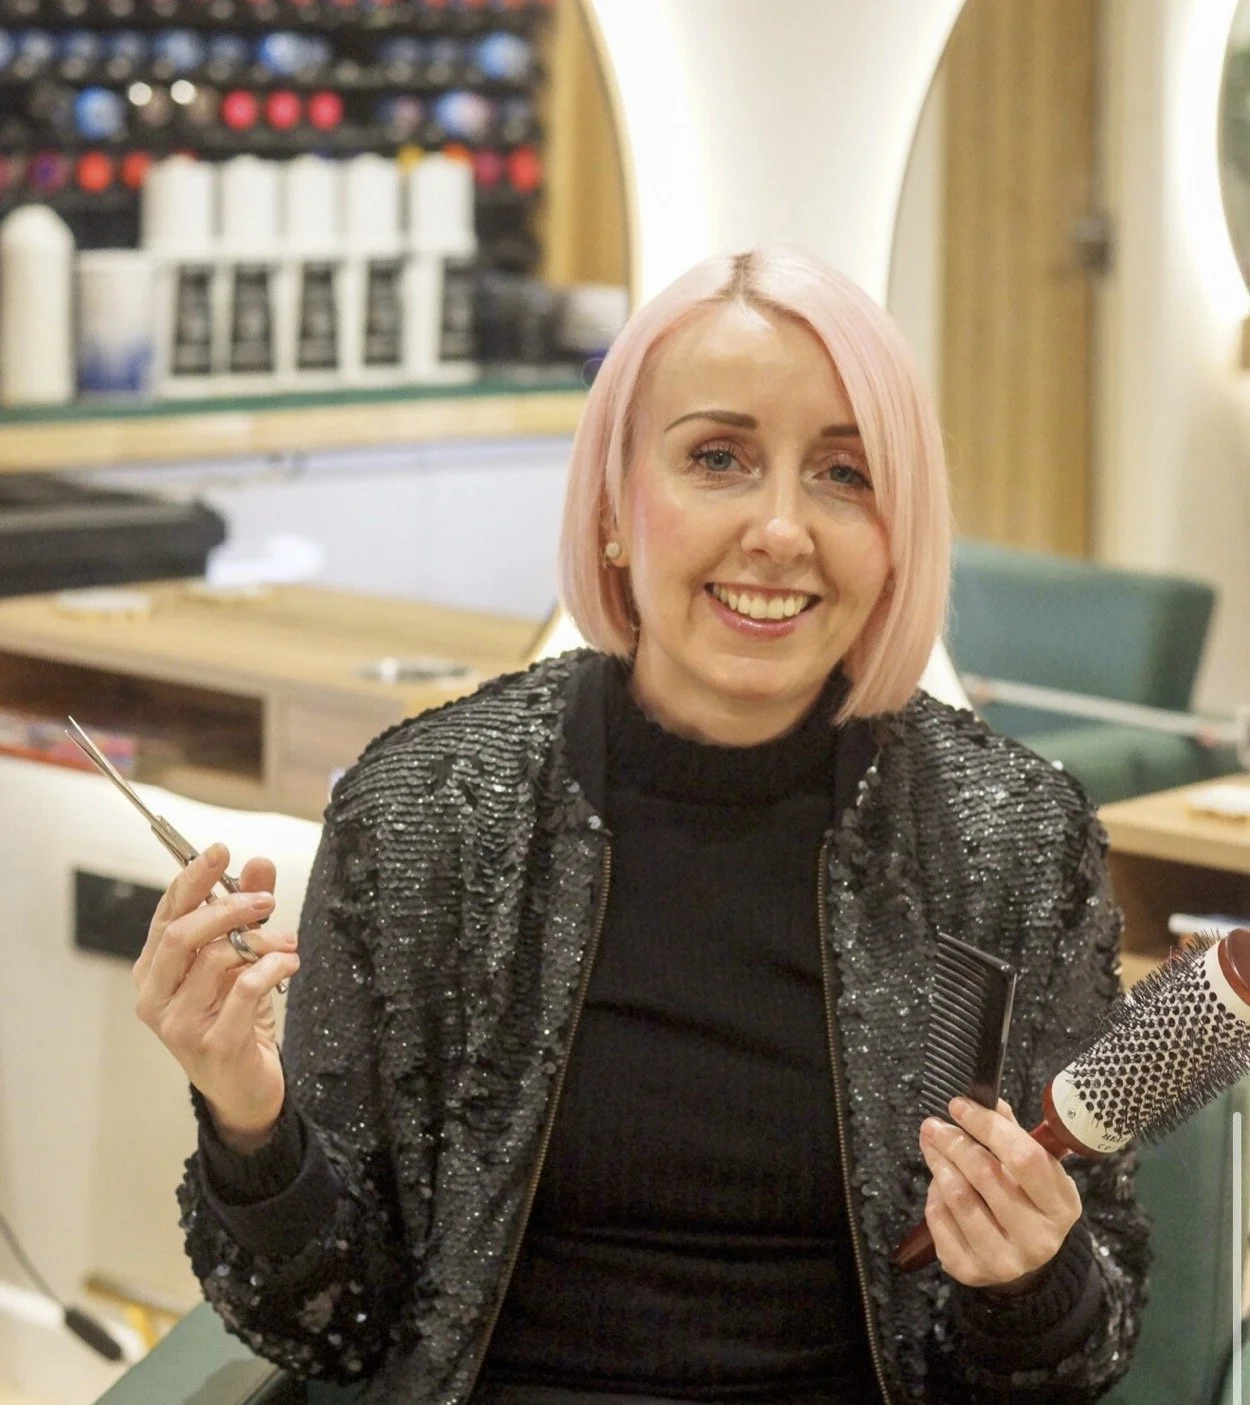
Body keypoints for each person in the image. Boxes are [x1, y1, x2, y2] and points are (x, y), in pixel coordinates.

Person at [137, 246, 1149, 1405]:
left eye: (841, 473)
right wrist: (251, 1120)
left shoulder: (1002, 838)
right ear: (616, 509)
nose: (778, 528)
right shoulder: (427, 813)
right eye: (717, 459)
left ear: (896, 531)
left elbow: (1078, 1352)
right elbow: (331, 1328)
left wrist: (1025, 1278)